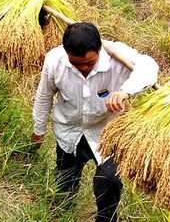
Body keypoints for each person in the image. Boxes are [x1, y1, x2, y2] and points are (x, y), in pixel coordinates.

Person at [32, 23, 159, 222]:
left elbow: (150, 66)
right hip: (69, 132)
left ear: (99, 49)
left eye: (89, 63)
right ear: (66, 53)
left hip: (105, 133)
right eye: (77, 64)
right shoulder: (54, 60)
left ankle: (106, 218)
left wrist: (125, 91)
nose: (83, 68)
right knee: (65, 184)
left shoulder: (117, 56)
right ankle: (64, 214)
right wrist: (38, 130)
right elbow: (44, 96)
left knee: (109, 180)